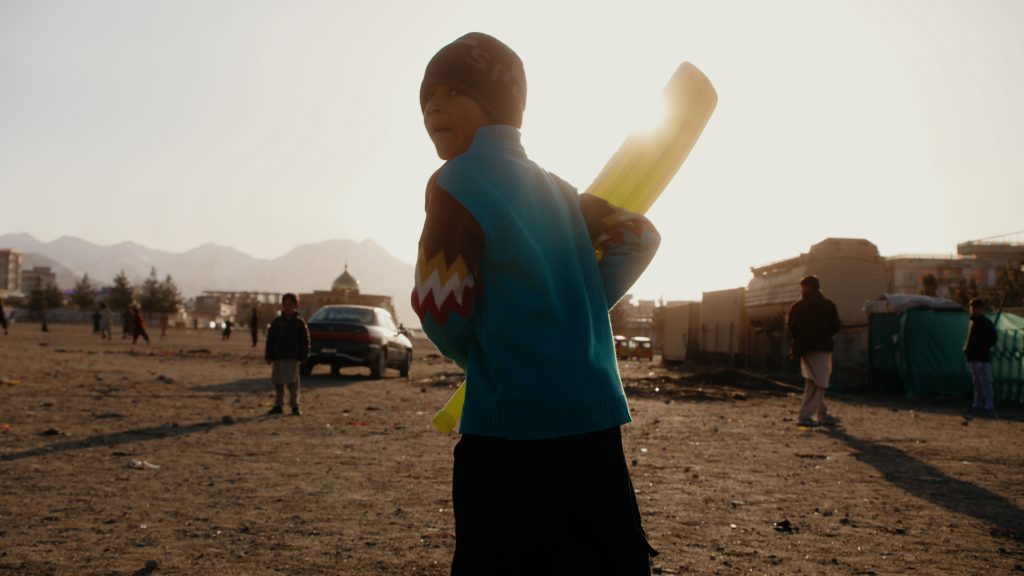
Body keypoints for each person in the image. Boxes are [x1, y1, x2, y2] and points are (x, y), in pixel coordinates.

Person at [412, 33, 660, 575]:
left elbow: (440, 308)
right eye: (428, 95)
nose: (433, 105)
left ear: (495, 101)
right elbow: (640, 236)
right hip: (594, 430)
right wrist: (582, 303)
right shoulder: (560, 191)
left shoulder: (455, 182)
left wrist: (482, 352)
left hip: (508, 433)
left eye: (453, 91)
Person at [787, 275, 842, 427]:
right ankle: (805, 416)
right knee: (821, 384)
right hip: (822, 349)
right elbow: (836, 326)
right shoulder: (829, 305)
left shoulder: (797, 306)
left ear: (805, 287)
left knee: (811, 382)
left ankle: (821, 414)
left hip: (803, 350)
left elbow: (791, 327)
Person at [264, 293, 309, 416]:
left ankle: (295, 406)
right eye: (285, 305)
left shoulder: (299, 323)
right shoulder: (277, 322)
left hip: (292, 357)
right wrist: (269, 356)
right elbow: (271, 340)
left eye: (290, 305)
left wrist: (304, 356)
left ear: (295, 306)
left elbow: (305, 341)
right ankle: (278, 405)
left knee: (293, 383)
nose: (287, 308)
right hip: (279, 356)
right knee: (278, 382)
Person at [964, 297, 998, 417]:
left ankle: (989, 406)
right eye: (972, 307)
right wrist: (967, 350)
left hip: (982, 358)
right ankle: (978, 405)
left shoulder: (985, 323)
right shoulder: (972, 322)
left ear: (981, 309)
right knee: (977, 383)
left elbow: (993, 338)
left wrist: (982, 348)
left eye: (976, 308)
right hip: (973, 358)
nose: (974, 310)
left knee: (985, 383)